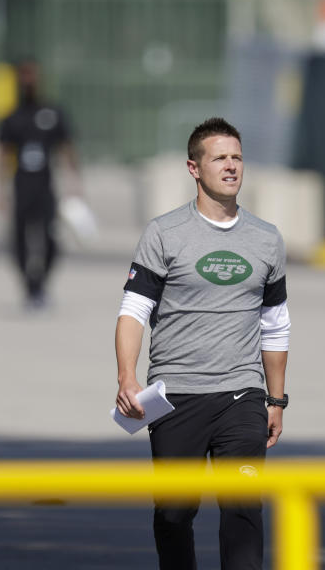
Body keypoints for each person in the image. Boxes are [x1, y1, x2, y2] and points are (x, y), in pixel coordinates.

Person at [114, 117, 290, 570]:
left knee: (243, 509)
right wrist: (127, 377)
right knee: (174, 513)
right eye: (219, 158)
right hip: (175, 396)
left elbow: (275, 324)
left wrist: (275, 398)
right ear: (194, 168)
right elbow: (134, 311)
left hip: (243, 395)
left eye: (237, 157)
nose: (231, 167)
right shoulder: (163, 233)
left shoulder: (266, 238)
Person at [0, 61, 80, 309]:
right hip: (21, 186)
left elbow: (66, 148)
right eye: (23, 77)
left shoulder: (52, 113)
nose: (28, 81)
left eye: (32, 76)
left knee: (49, 239)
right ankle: (29, 285)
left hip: (46, 186)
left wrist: (75, 183)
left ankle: (41, 282)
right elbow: (1, 154)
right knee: (20, 239)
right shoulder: (11, 117)